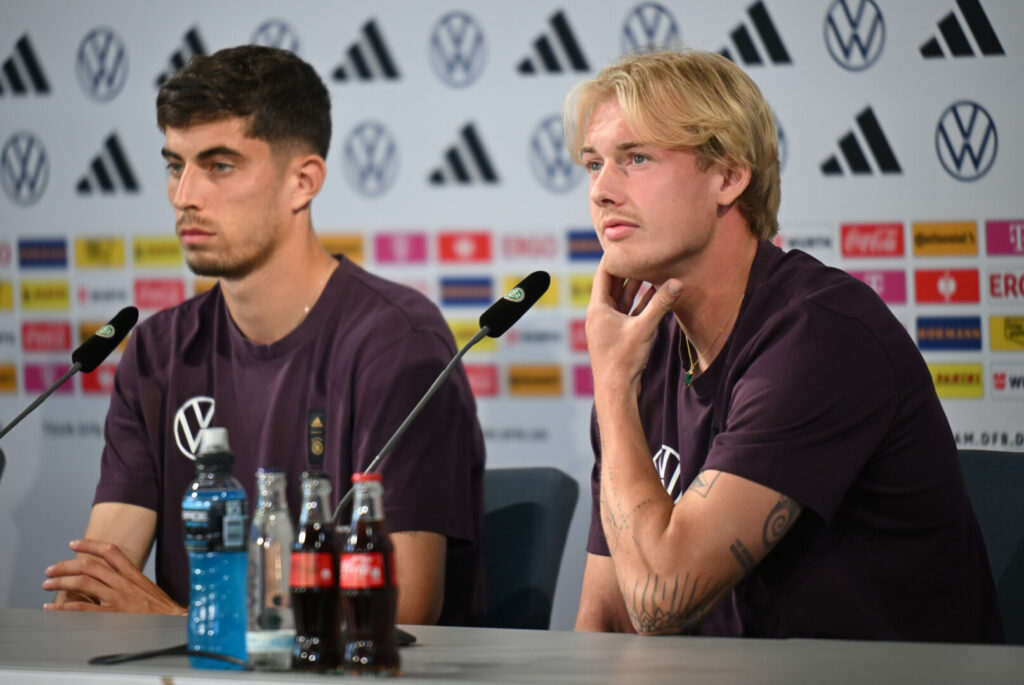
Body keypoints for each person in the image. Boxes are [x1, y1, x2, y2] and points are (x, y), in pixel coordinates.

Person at [566, 49, 1002, 641]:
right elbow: (608, 616)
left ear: (728, 177)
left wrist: (612, 385)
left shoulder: (822, 334)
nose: (601, 192)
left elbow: (660, 600)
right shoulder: (641, 341)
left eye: (636, 158)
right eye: (593, 165)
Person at [42, 45, 485, 627]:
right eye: (176, 166)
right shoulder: (157, 352)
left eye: (219, 166)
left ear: (303, 181)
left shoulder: (397, 344)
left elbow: (400, 612)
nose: (184, 197)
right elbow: (95, 590)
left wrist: (184, 621)